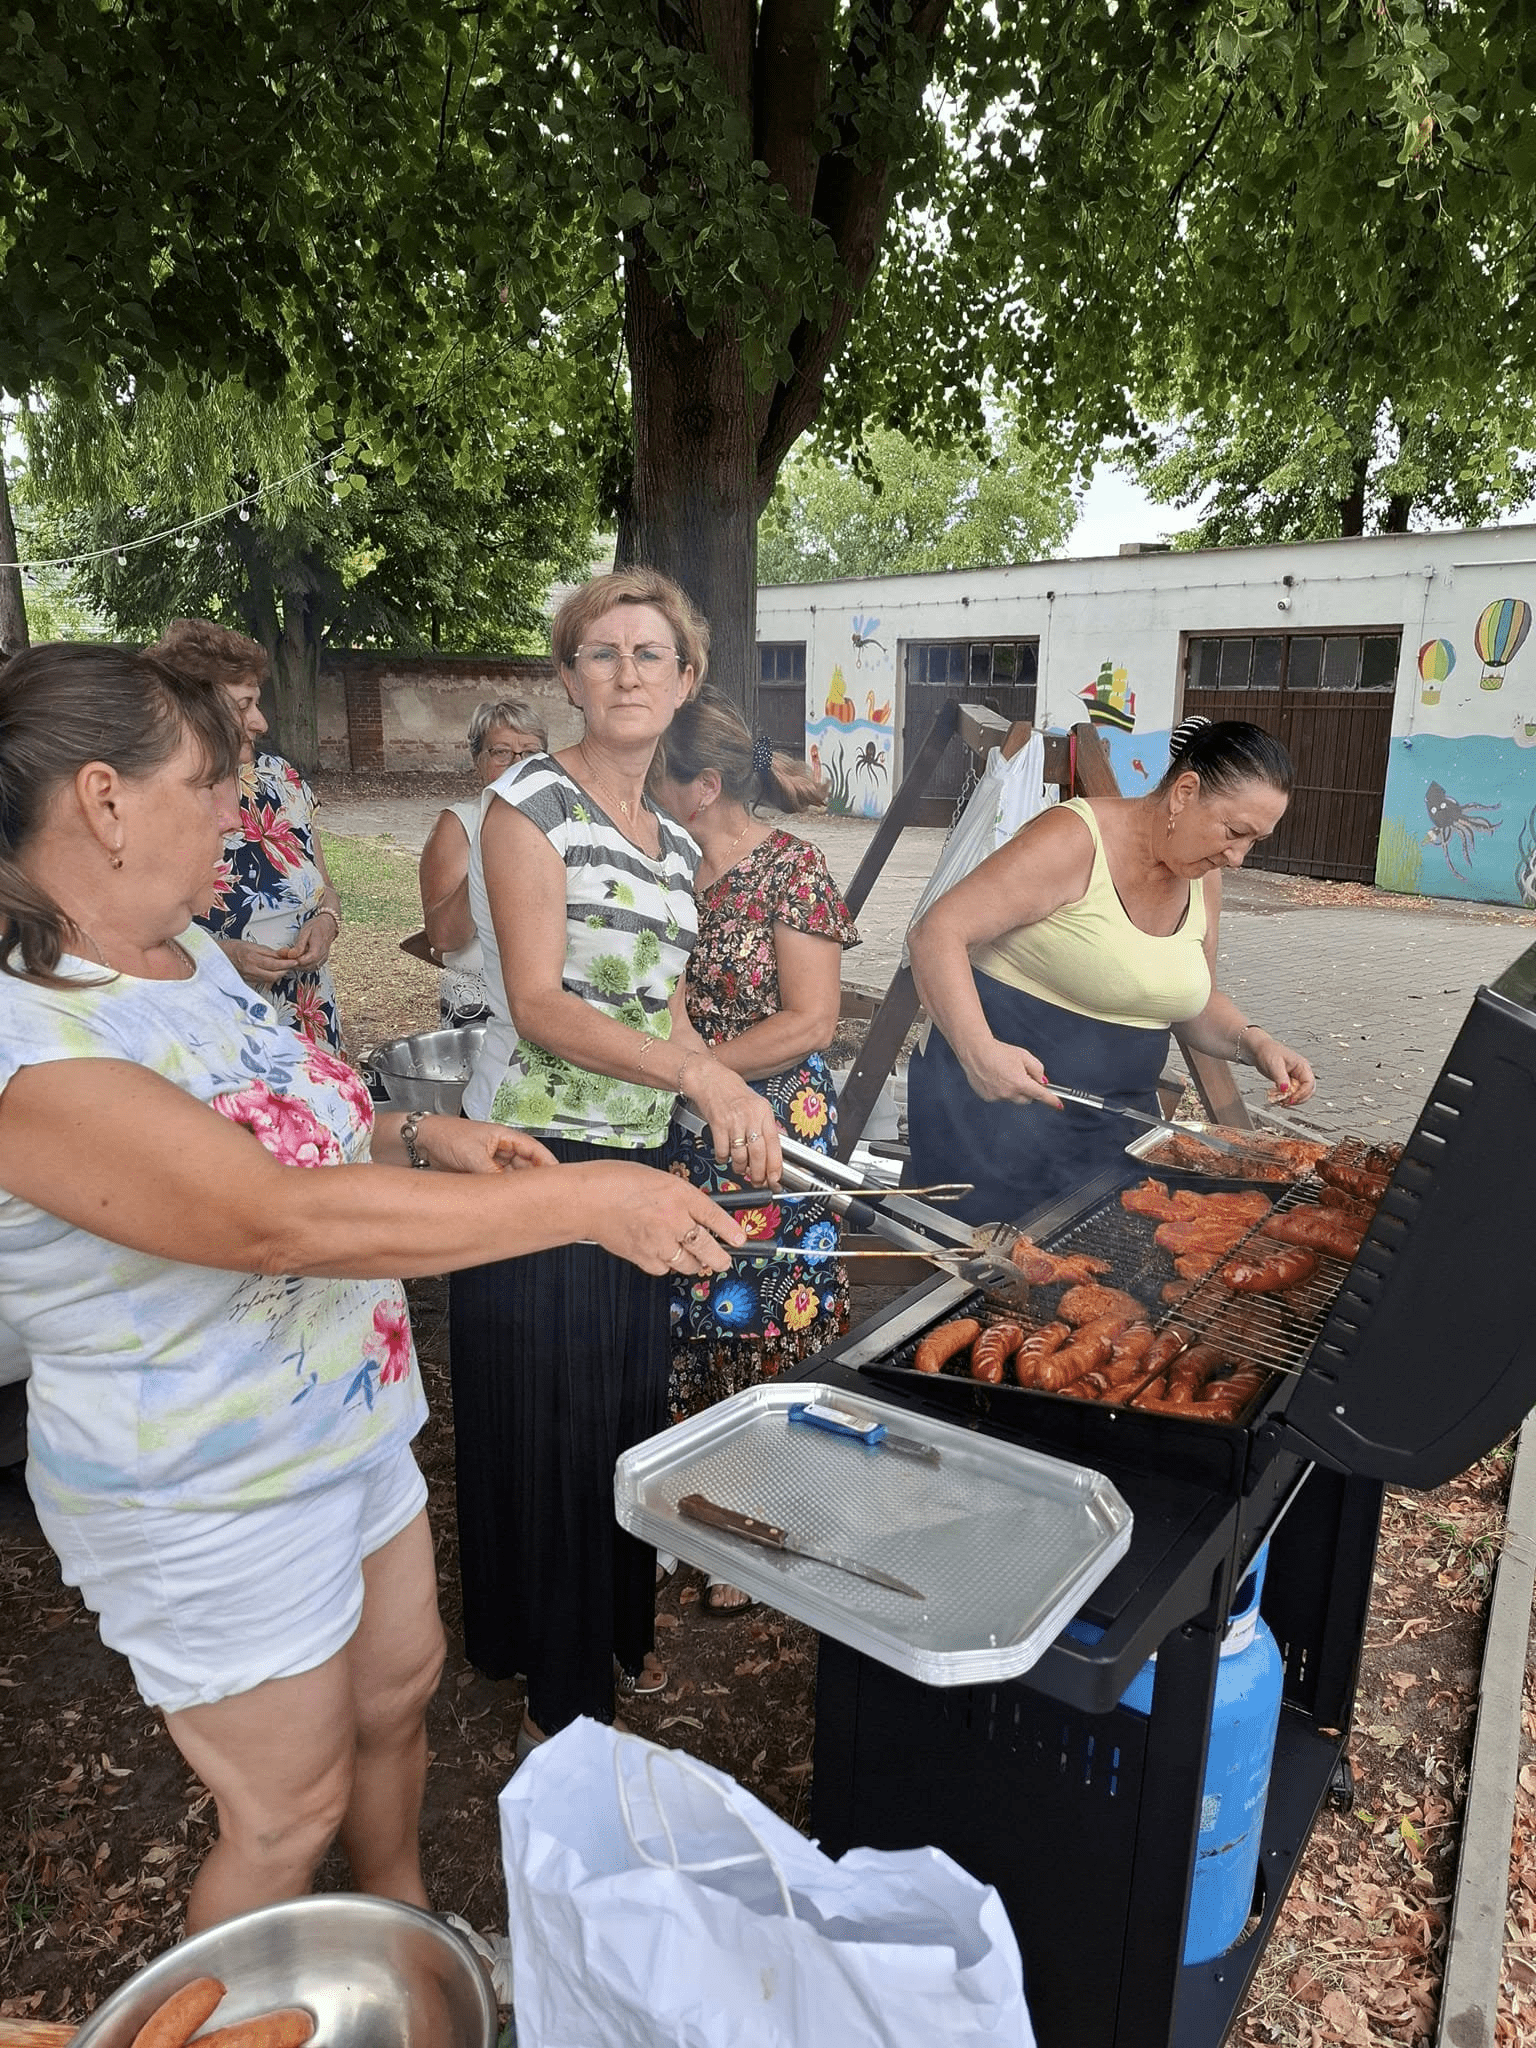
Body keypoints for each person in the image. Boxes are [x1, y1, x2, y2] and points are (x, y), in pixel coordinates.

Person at [0, 642, 745, 1933]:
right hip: (205, 1489)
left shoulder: (190, 958)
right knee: (285, 1812)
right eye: (209, 782)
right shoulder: (30, 1039)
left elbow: (295, 1128)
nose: (237, 811)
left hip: (347, 1427)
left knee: (399, 1695)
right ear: (106, 800)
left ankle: (401, 1927)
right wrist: (587, 1201)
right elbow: (271, 1217)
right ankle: (237, 2007)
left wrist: (423, 1134)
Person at [453, 569, 780, 1754]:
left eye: (652, 654)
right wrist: (698, 1073)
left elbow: (663, 1005)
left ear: (686, 680)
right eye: (603, 652)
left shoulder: (674, 841)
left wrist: (719, 1084)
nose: (628, 672)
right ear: (570, 675)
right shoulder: (526, 804)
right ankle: (551, 1681)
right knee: (544, 1417)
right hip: (537, 1151)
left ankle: (595, 1629)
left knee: (615, 1408)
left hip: (639, 1147)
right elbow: (541, 1002)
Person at [905, 717, 1317, 1226]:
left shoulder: (1202, 875)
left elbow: (1192, 1001)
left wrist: (1256, 1043)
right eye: (1235, 832)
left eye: (1255, 840)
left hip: (1117, 1125)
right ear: (1185, 793)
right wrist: (980, 1053)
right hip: (995, 1117)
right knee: (997, 1264)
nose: (1237, 858)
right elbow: (936, 934)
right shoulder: (1074, 839)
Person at [650, 689, 858, 1613]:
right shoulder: (655, 860)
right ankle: (684, 1506)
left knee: (760, 1312)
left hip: (767, 1126)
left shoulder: (792, 869)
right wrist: (675, 1072)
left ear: (702, 786)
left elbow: (812, 1020)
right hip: (670, 1118)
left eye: (654, 775)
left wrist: (696, 1073)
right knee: (682, 1306)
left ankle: (761, 1522)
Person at [151, 619, 345, 1050]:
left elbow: (325, 888)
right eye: (243, 706)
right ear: (193, 708)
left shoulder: (283, 780)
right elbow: (131, 939)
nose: (261, 722)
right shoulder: (155, 800)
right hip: (219, 1031)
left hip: (309, 1015)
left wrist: (326, 922)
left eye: (257, 703)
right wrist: (224, 957)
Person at [418, 699, 547, 1025]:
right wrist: (487, 855)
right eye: (501, 752)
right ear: (478, 760)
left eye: (531, 753)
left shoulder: (564, 823)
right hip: (480, 1004)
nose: (517, 764)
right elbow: (443, 938)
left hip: (553, 1004)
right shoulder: (459, 824)